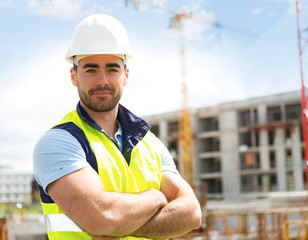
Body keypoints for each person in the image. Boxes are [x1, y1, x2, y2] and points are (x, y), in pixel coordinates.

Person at [33, 14, 202, 240]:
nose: (102, 80)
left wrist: (117, 225)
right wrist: (156, 197)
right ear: (74, 76)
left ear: (126, 75)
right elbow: (103, 219)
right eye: (91, 70)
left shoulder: (150, 142)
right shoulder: (58, 142)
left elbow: (191, 214)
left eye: (112, 69)